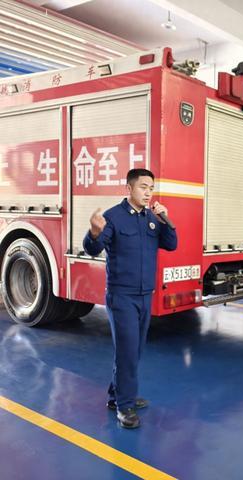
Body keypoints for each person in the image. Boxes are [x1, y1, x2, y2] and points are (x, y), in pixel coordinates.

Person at [83, 168, 178, 429]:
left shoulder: (151, 218)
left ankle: (116, 395)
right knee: (126, 351)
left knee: (134, 350)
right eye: (143, 187)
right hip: (121, 297)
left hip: (145, 296)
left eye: (151, 188)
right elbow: (93, 249)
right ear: (129, 188)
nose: (148, 193)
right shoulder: (113, 217)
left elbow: (172, 245)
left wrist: (165, 219)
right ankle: (125, 406)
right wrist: (94, 233)